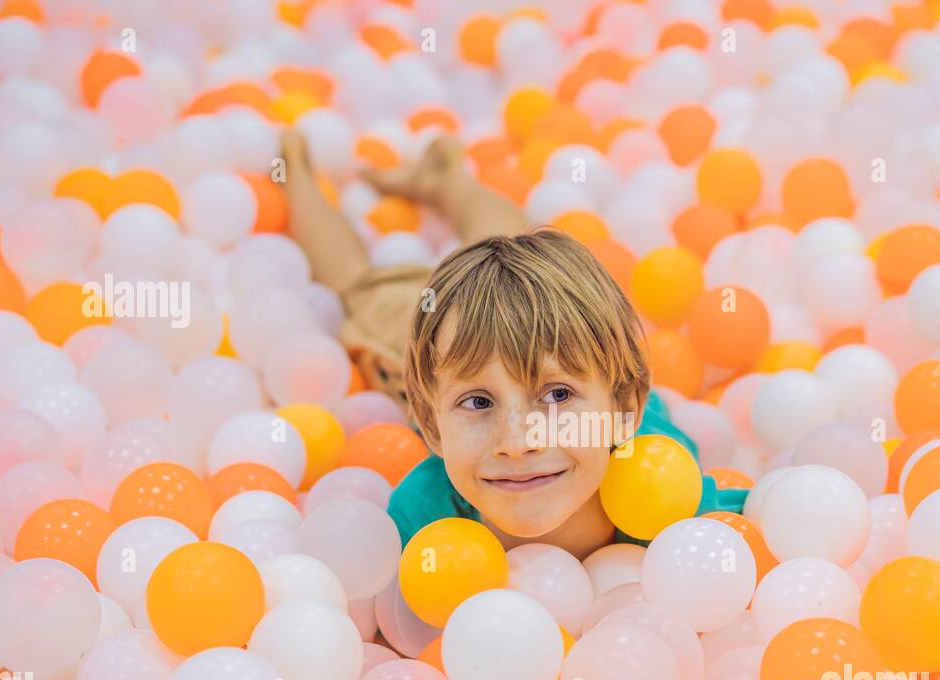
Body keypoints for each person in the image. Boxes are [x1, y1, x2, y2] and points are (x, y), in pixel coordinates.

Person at [280, 133, 746, 561]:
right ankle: (296, 169)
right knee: (362, 289)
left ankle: (444, 179)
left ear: (625, 406)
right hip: (451, 332)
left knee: (514, 246)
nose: (518, 442)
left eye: (558, 395)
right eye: (478, 402)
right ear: (431, 426)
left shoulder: (665, 496)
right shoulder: (426, 519)